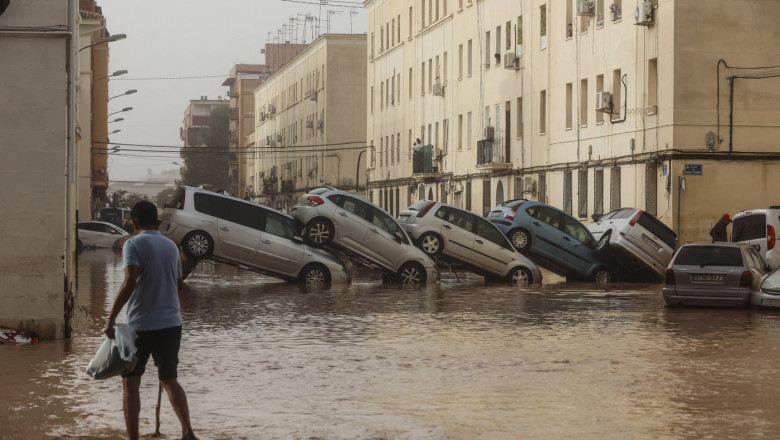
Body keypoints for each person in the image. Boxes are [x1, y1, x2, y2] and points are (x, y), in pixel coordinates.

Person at [104, 201, 197, 440]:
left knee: (131, 383)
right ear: (157, 223)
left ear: (133, 223)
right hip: (171, 324)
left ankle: (133, 438)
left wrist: (112, 317)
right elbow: (177, 284)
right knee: (169, 379)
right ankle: (187, 431)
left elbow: (129, 281)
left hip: (140, 326)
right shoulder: (172, 247)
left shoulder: (132, 244)